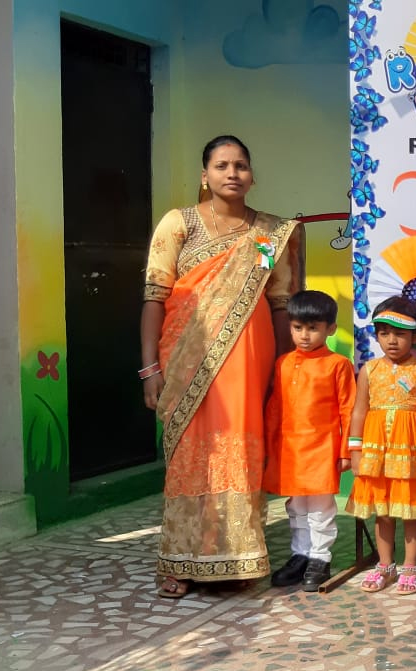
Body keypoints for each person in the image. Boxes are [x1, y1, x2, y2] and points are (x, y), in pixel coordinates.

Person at [141, 135, 301, 599]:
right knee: (190, 458)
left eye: (241, 165)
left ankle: (237, 557)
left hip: (249, 361)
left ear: (252, 175)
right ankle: (180, 560)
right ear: (204, 175)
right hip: (185, 359)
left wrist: (283, 368)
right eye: (222, 165)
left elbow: (280, 303)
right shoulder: (179, 223)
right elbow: (154, 296)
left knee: (239, 454)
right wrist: (149, 368)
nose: (232, 173)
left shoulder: (269, 233)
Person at [264, 291, 356, 592]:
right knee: (295, 506)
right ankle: (300, 554)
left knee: (320, 508)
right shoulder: (283, 363)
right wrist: (269, 445)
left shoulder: (338, 364)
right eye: (297, 327)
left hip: (321, 449)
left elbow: (348, 410)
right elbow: (274, 408)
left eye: (313, 328)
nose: (304, 335)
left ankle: (320, 557)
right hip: (289, 449)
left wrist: (346, 451)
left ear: (331, 328)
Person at [345, 296, 416, 595]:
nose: (392, 341)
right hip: (377, 453)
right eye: (384, 333)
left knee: (410, 511)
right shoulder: (369, 370)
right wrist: (355, 451)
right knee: (382, 511)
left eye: (399, 334)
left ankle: (411, 566)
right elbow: (359, 411)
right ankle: (385, 565)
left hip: (411, 452)